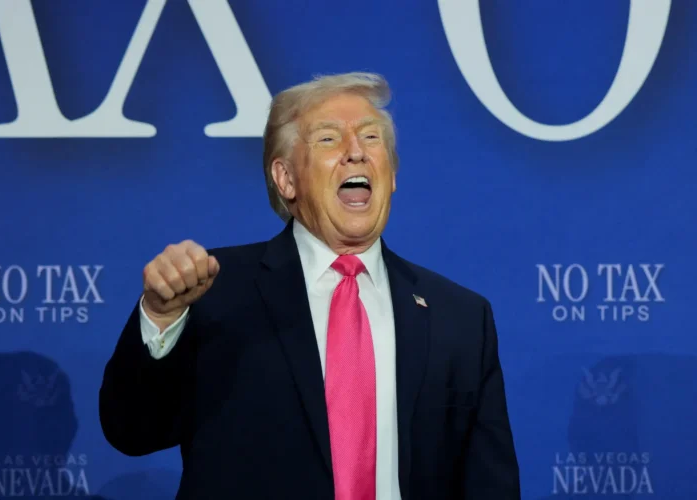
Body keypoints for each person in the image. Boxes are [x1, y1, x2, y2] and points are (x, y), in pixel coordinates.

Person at [99, 72, 520, 499]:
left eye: (371, 137)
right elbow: (132, 430)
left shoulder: (460, 317)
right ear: (286, 179)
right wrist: (163, 316)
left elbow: (490, 484)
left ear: (392, 174)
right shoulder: (217, 291)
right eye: (329, 139)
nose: (356, 152)